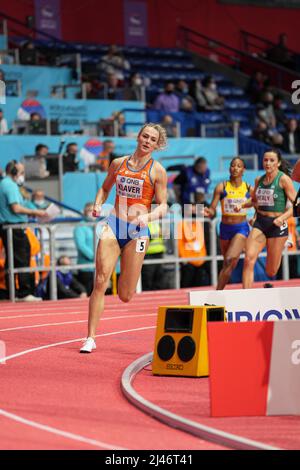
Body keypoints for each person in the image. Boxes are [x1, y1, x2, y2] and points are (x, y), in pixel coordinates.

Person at [80, 123, 168, 353]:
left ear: (157, 145)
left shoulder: (157, 170)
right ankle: (90, 337)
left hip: (137, 232)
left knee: (126, 294)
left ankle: (125, 289)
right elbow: (104, 188)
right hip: (113, 225)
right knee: (100, 281)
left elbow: (163, 206)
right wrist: (98, 203)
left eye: (152, 139)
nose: (147, 141)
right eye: (145, 136)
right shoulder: (118, 163)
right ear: (138, 137)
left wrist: (148, 217)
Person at [240, 149, 297, 288]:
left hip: (277, 226)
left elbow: (297, 205)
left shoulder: (283, 179)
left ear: (278, 163)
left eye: (272, 160)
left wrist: (283, 218)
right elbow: (254, 201)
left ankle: (282, 243)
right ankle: (245, 296)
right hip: (260, 223)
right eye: (265, 160)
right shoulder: (258, 180)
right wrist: (241, 205)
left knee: (271, 271)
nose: (268, 163)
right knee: (248, 258)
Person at [0, 161, 47, 301]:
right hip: (14, 227)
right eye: (21, 172)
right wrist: (35, 212)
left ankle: (12, 292)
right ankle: (24, 293)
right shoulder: (9, 185)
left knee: (13, 260)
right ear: (14, 172)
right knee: (22, 258)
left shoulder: (7, 184)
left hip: (10, 227)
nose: (23, 175)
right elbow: (16, 208)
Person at [204, 157, 252, 290]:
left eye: (238, 166)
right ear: (229, 168)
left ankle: (217, 293)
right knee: (228, 264)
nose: (235, 168)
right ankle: (219, 293)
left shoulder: (248, 188)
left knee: (230, 259)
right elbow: (213, 208)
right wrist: (209, 211)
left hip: (241, 228)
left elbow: (259, 204)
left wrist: (255, 216)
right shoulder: (222, 186)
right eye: (233, 165)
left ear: (243, 170)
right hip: (225, 228)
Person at [74, 202, 95, 296]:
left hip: (99, 266)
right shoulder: (80, 226)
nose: (92, 213)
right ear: (85, 212)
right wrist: (93, 256)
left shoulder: (100, 225)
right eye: (90, 210)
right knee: (88, 294)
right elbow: (81, 245)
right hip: (86, 267)